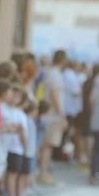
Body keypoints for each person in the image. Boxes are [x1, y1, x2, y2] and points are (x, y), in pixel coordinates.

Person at [38, 50, 67, 185]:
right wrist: (61, 114)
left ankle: (43, 172)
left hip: (49, 114)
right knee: (48, 146)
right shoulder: (56, 74)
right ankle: (44, 173)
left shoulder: (50, 72)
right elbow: (55, 95)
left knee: (46, 145)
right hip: (53, 116)